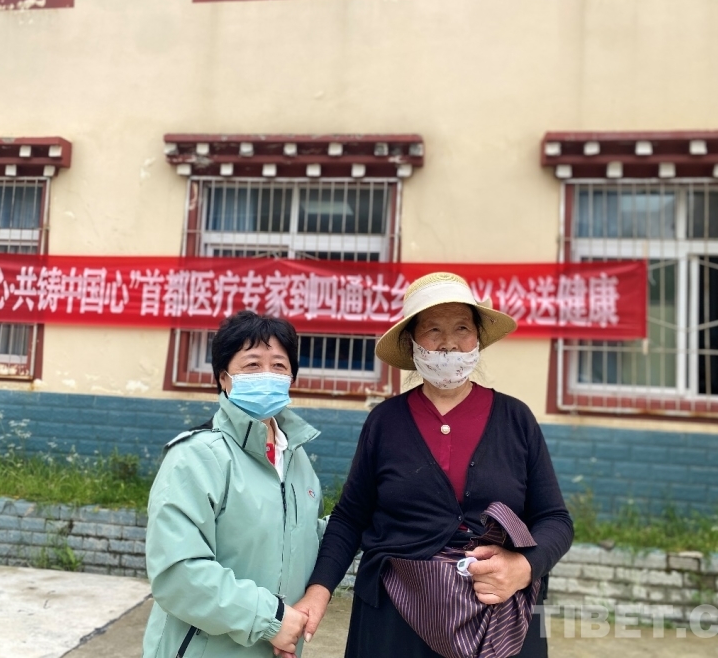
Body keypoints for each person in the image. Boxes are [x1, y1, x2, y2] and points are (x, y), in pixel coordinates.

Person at [294, 272, 574, 658]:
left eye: (462, 328)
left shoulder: (516, 419)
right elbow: (349, 519)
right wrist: (319, 590)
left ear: (478, 338)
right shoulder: (385, 422)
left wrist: (523, 568)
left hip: (499, 612)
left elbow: (555, 519)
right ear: (412, 343)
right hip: (396, 621)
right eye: (433, 330)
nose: (449, 343)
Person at [143, 310, 325, 658]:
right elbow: (177, 573)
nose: (267, 374)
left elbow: (302, 539)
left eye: (279, 365)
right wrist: (272, 619)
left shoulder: (296, 457)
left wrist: (362, 522)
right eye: (252, 364)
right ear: (224, 378)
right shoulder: (197, 457)